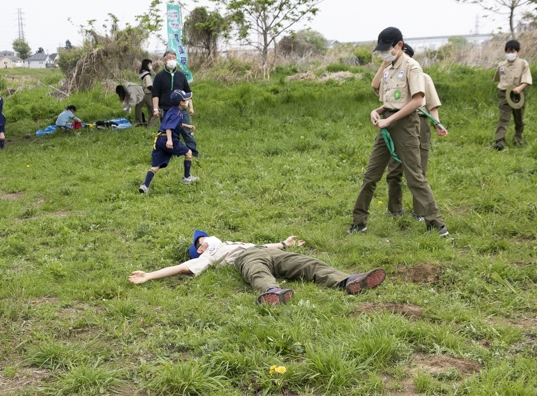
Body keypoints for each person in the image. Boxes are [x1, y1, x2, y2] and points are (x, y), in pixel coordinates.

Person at [348, 27, 448, 237]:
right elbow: (389, 102)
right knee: (370, 176)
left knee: (415, 177)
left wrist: (390, 120)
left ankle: (436, 225)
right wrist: (377, 111)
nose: (384, 53)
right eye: (382, 49)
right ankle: (359, 222)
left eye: (388, 48)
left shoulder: (412, 67)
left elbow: (418, 101)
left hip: (405, 125)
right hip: (388, 123)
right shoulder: (389, 69)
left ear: (399, 45)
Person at [128, 229, 387, 305]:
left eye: (204, 236)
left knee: (308, 263)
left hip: (260, 250)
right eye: (200, 241)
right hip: (247, 259)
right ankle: (272, 292)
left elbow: (264, 245)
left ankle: (348, 281)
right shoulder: (206, 256)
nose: (204, 239)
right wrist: (149, 275)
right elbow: (181, 268)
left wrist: (284, 244)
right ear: (199, 249)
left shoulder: (231, 241)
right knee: (257, 272)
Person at [371, 43, 448, 222]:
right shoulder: (391, 73)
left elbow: (432, 105)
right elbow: (375, 86)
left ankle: (421, 212)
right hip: (397, 121)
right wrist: (384, 63)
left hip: (418, 121)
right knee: (394, 168)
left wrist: (437, 123)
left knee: (417, 169)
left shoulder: (422, 76)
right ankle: (395, 208)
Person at [138, 90, 198, 195]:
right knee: (188, 152)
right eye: (186, 100)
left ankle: (145, 186)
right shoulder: (178, 114)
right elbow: (169, 127)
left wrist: (187, 126)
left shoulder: (172, 110)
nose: (188, 101)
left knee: (155, 166)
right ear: (181, 102)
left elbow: (172, 123)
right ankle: (187, 177)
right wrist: (170, 141)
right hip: (168, 139)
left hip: (159, 140)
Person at [152, 50, 199, 157]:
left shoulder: (181, 75)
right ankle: (170, 153)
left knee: (186, 131)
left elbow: (188, 92)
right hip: (165, 109)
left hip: (181, 110)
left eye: (174, 58)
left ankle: (193, 152)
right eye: (169, 58)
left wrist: (191, 107)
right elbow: (155, 94)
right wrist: (155, 109)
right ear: (164, 61)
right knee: (167, 133)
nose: (172, 60)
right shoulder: (159, 76)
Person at [493, 40, 532, 150]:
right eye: (508, 51)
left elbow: (526, 80)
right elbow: (498, 79)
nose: (510, 53)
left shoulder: (523, 64)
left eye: (513, 51)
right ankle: (499, 141)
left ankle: (518, 138)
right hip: (504, 93)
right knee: (503, 118)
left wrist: (519, 88)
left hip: (518, 94)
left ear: (518, 52)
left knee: (518, 118)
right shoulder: (501, 65)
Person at [139, 59, 156, 127]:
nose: (151, 66)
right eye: (150, 64)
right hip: (148, 94)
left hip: (144, 94)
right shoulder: (147, 75)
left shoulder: (143, 74)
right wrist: (156, 92)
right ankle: (150, 127)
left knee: (150, 112)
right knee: (155, 113)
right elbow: (149, 86)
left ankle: (148, 125)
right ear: (147, 65)